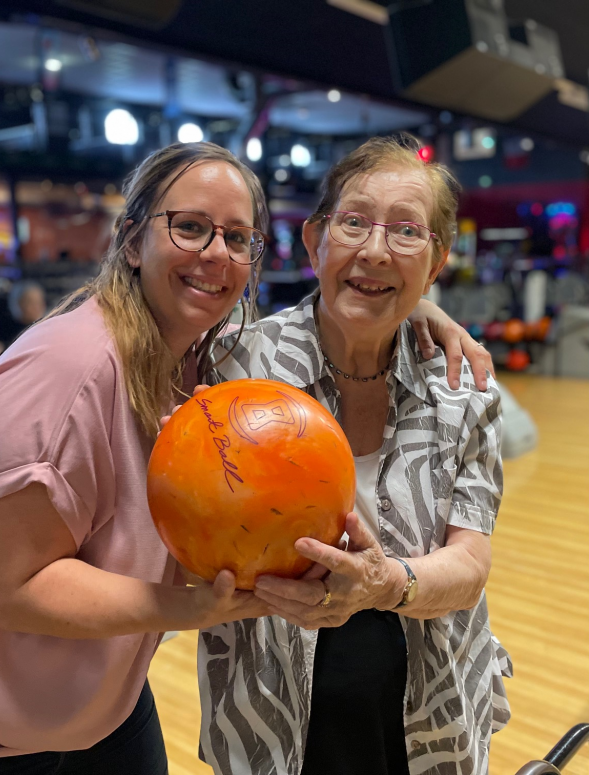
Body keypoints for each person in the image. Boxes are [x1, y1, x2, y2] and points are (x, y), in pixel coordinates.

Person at [0, 142, 490, 775]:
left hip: (102, 709)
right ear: (131, 240)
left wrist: (408, 304)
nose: (215, 253)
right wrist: (198, 607)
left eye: (236, 238)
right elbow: (15, 587)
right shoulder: (79, 367)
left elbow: (470, 556)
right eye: (190, 227)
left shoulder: (202, 358)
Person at [197, 136, 511, 775]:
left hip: (429, 709)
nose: (374, 249)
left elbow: (470, 562)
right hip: (271, 710)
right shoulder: (233, 367)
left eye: (405, 232)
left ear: (438, 260)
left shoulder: (464, 388)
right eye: (355, 221)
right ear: (315, 243)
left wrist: (385, 583)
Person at [0, 280, 47, 372]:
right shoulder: (5, 330)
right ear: (18, 303)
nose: (37, 307)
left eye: (39, 302)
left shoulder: (46, 329)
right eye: (30, 302)